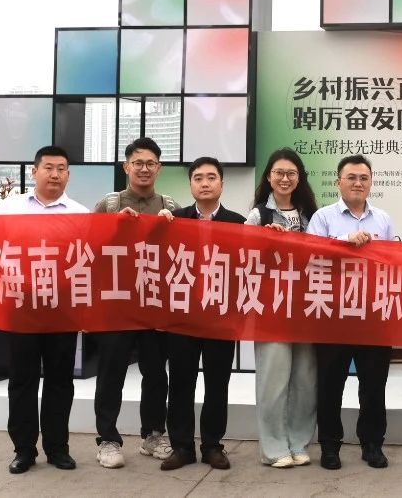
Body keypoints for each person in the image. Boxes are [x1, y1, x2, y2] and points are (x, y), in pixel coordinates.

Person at [0, 145, 89, 474]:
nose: (55, 174)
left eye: (61, 169)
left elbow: (90, 257)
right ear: (34, 171)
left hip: (61, 309)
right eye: (48, 168)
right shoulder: (11, 207)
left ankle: (58, 448)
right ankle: (24, 449)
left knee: (60, 381)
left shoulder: (80, 213)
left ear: (68, 175)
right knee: (22, 380)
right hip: (22, 307)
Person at [91, 137, 178, 469]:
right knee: (111, 372)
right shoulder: (109, 204)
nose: (144, 169)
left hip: (155, 304)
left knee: (155, 373)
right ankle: (108, 439)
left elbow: (184, 254)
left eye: (150, 163)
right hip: (117, 304)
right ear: (126, 167)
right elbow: (87, 247)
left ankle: (153, 434)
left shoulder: (170, 206)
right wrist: (113, 227)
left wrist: (173, 228)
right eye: (138, 163)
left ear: (159, 168)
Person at [306, 155, 396, 470]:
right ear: (338, 182)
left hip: (373, 315)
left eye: (364, 178)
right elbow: (312, 255)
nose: (358, 183)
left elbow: (392, 262)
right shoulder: (323, 217)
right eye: (352, 177)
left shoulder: (383, 219)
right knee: (330, 385)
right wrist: (345, 241)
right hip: (333, 314)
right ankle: (330, 446)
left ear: (371, 182)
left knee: (374, 385)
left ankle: (372, 444)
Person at [159, 156, 242, 471]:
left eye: (211, 177)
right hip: (183, 315)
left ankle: (212, 446)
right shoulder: (174, 219)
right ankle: (182, 447)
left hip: (221, 316)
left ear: (222, 183)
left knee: (218, 384)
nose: (205, 183)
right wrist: (156, 226)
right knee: (181, 382)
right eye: (198, 178)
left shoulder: (238, 223)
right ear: (190, 184)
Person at [246, 148, 319, 468]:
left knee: (305, 379)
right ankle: (273, 447)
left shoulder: (312, 216)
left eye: (291, 173)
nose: (285, 179)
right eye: (279, 173)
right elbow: (243, 259)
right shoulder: (258, 216)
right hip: (271, 308)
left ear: (299, 178)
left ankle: (298, 442)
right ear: (269, 177)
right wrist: (264, 240)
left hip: (306, 307)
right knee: (273, 381)